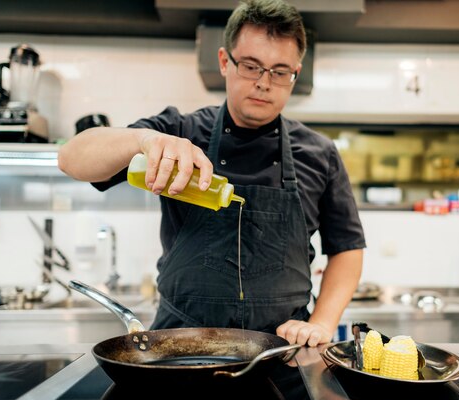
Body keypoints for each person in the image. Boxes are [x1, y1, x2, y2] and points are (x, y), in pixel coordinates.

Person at [58, 0, 365, 349]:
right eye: (251, 66)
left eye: (280, 72)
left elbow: (347, 248)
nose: (265, 83)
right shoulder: (179, 131)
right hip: (180, 347)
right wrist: (144, 140)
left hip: (283, 352)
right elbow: (71, 158)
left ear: (296, 73)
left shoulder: (319, 153)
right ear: (224, 61)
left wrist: (322, 322)